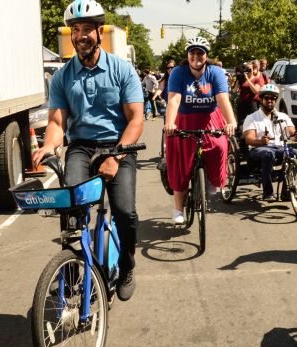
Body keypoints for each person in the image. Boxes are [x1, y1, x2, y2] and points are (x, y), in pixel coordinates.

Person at [32, 0, 144, 302]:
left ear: (99, 32)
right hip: (81, 148)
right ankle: (71, 271)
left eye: (87, 30)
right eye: (76, 30)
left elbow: (136, 119)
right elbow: (57, 121)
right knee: (71, 208)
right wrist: (48, 146)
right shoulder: (62, 77)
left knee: (124, 211)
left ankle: (127, 265)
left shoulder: (122, 70)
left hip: (119, 144)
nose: (81, 36)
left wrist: (116, 156)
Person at [164, 37, 237, 224]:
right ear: (188, 55)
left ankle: (212, 179)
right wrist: (170, 123)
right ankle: (178, 209)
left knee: (220, 145)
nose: (196, 56)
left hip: (210, 118)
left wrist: (231, 122)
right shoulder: (179, 72)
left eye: (200, 53)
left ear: (207, 56)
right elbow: (174, 100)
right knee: (180, 161)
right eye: (192, 53)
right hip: (184, 119)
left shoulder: (216, 72)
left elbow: (222, 99)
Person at [242, 83, 297, 201]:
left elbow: (291, 132)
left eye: (273, 98)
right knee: (268, 153)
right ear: (260, 99)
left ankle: (288, 192)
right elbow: (249, 139)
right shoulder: (252, 117)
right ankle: (268, 193)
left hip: (279, 148)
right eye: (267, 98)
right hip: (257, 151)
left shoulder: (282, 116)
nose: (270, 101)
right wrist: (260, 141)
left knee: (296, 153)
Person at [236, 60, 266, 127]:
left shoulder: (256, 79)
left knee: (253, 124)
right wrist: (237, 80)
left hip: (252, 104)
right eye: (247, 69)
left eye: (250, 69)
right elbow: (235, 90)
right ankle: (241, 137)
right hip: (241, 103)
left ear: (253, 69)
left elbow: (256, 91)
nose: (248, 71)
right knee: (241, 124)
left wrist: (248, 80)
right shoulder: (242, 79)